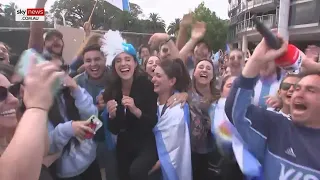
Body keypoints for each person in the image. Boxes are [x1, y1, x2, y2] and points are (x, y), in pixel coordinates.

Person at [225, 36, 320, 179]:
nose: (297, 93)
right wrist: (257, 60)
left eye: (310, 90)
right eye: (296, 88)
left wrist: (311, 66)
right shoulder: (276, 126)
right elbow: (236, 110)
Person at [103, 40, 158, 180]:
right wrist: (112, 115)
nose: (123, 64)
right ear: (114, 66)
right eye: (118, 61)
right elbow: (114, 129)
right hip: (124, 144)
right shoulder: (111, 89)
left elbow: (152, 121)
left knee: (137, 171)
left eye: (128, 59)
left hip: (146, 142)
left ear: (135, 63)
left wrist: (135, 110)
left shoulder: (147, 85)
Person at [0, 60, 64, 180]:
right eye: (0, 94)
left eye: (13, 90)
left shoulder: (12, 133)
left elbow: (43, 149)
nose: (14, 99)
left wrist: (30, 107)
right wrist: (37, 106)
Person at [150, 58, 192, 179]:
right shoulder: (151, 100)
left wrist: (146, 171)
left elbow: (174, 151)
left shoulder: (178, 109)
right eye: (153, 75)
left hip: (166, 169)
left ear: (172, 81)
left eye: (158, 76)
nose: (153, 79)